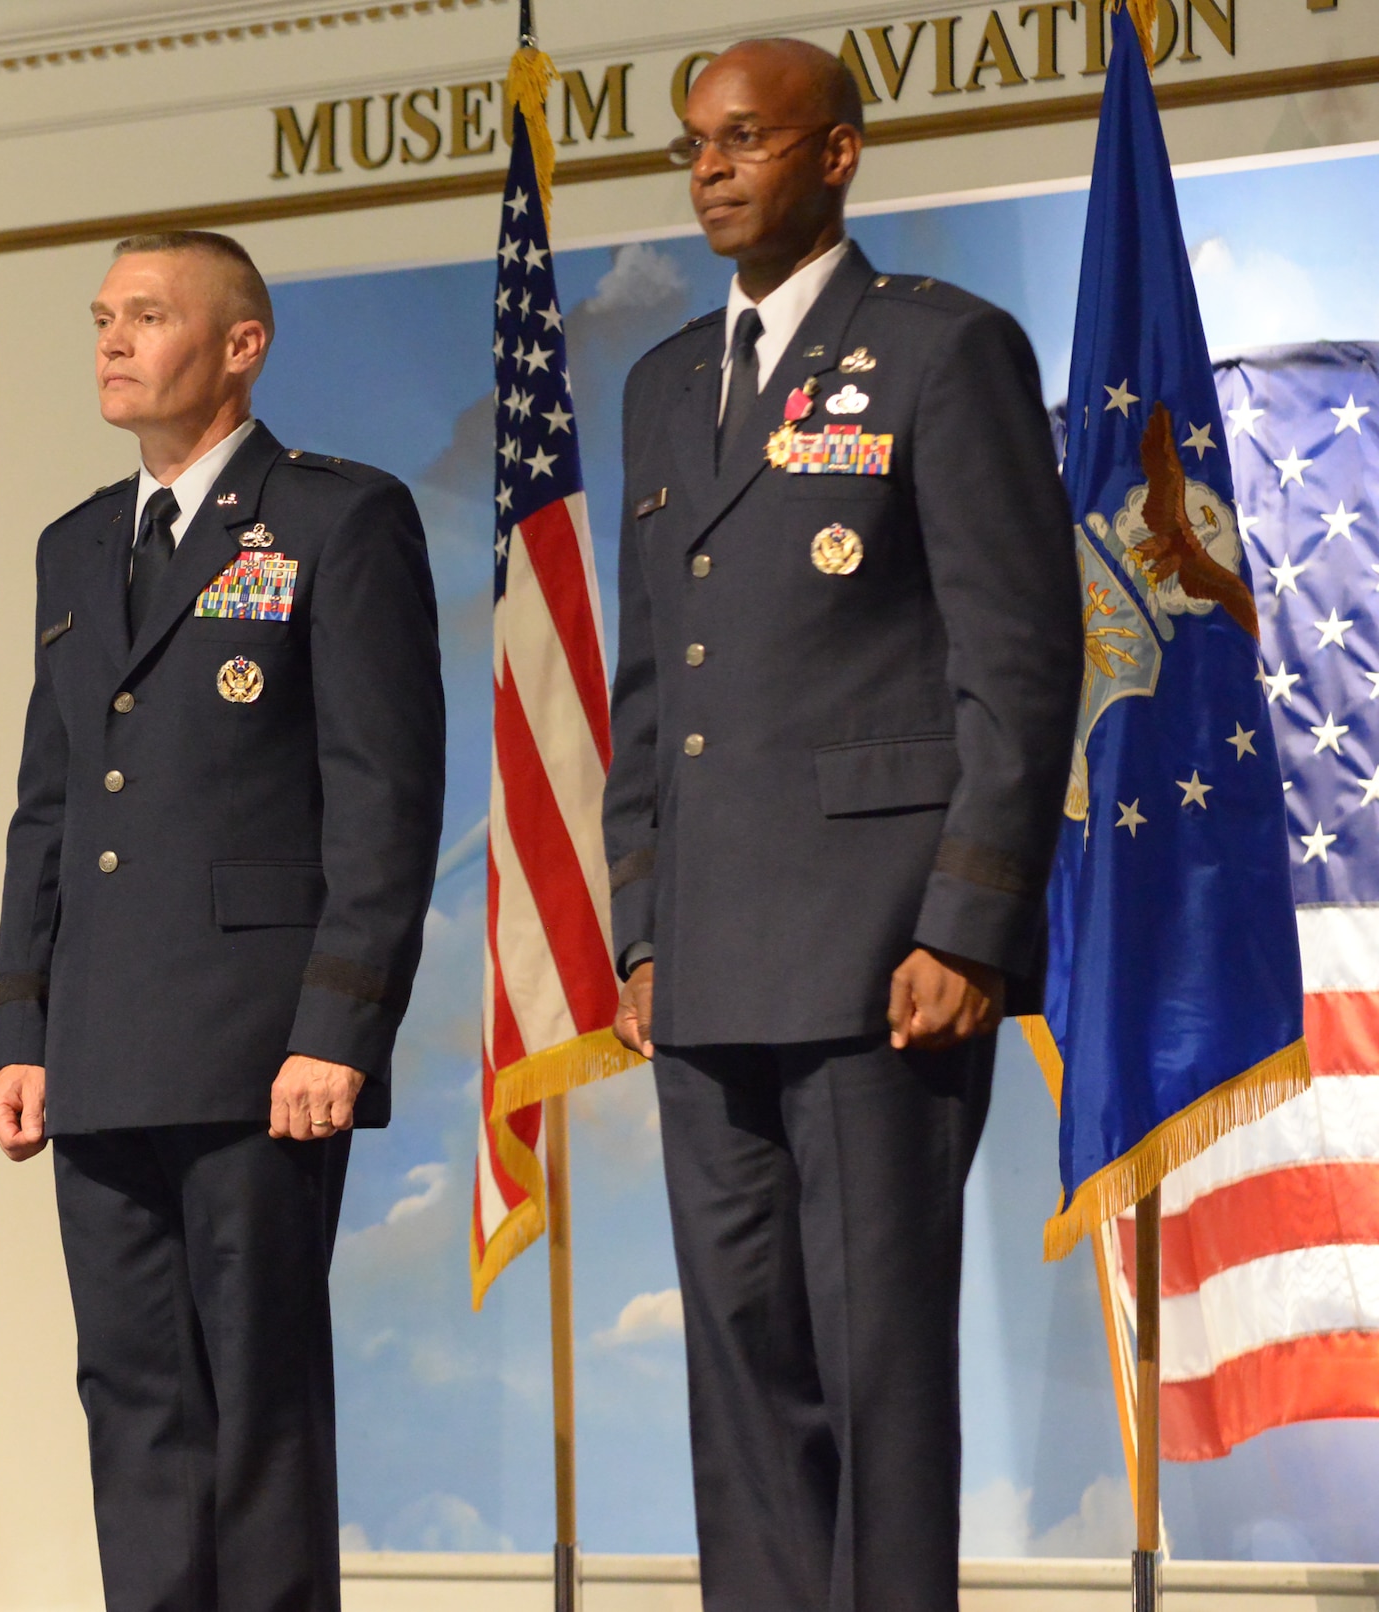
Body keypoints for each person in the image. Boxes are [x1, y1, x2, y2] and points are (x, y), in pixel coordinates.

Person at [604, 40, 1083, 1612]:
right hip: (709, 965)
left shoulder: (944, 353)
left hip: (885, 952)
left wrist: (969, 918)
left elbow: (1018, 659)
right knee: (739, 1366)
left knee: (874, 1366)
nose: (713, 169)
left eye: (746, 139)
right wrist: (643, 925)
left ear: (838, 155)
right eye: (694, 146)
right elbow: (643, 690)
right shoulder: (666, 384)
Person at [0, 230, 443, 1612]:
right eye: (102, 317)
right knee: (132, 1406)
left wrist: (339, 1029)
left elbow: (383, 799)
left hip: (263, 1056)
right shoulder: (78, 546)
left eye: (149, 316)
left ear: (241, 346)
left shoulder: (337, 519)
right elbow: (47, 810)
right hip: (105, 1047)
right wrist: (21, 1027)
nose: (113, 340)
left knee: (257, 1414)